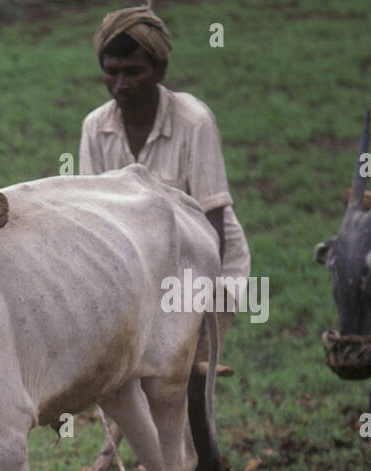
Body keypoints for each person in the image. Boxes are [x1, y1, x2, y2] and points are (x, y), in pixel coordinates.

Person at [79, 4, 250, 318]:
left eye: (133, 71)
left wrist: (198, 314)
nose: (120, 84)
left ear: (159, 71)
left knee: (190, 366)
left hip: (204, 266)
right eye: (111, 71)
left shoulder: (194, 122)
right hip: (136, 271)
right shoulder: (95, 127)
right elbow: (93, 221)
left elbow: (212, 220)